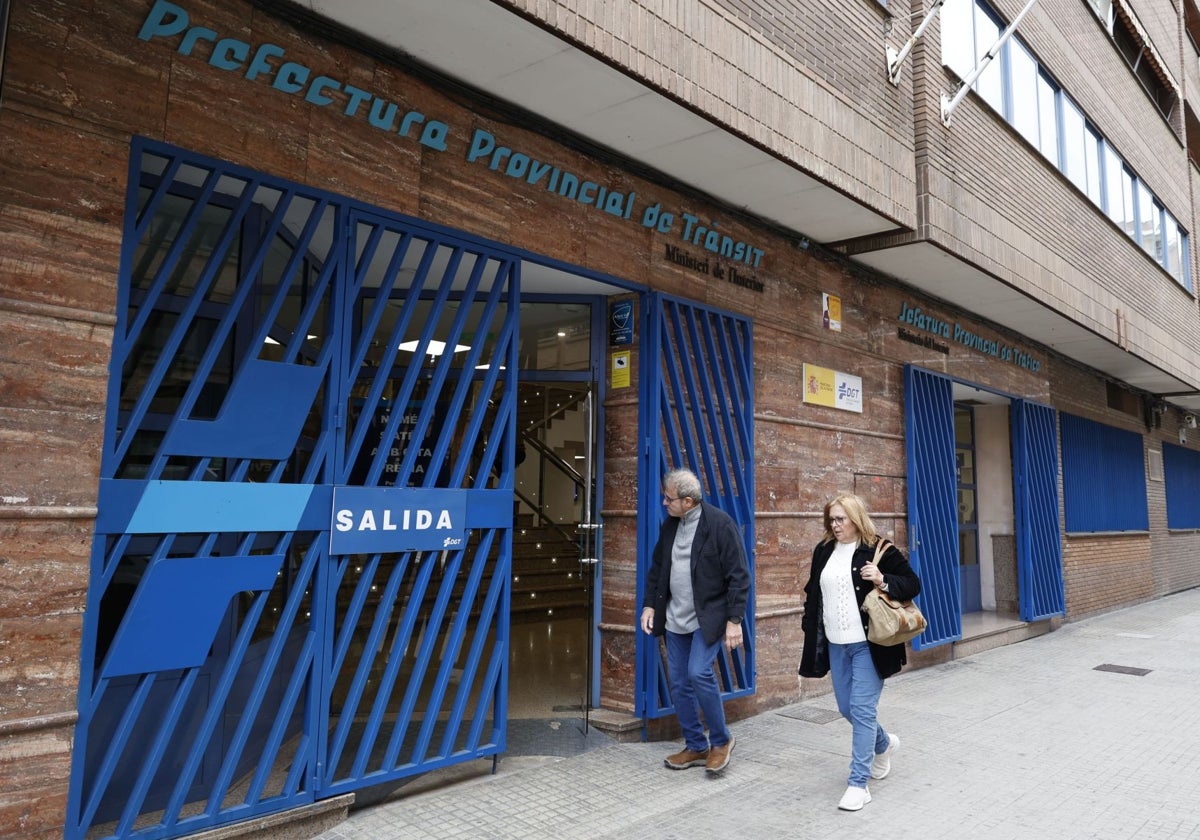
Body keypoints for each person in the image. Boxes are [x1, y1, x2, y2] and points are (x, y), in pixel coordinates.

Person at [798, 493, 921, 811]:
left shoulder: (878, 549)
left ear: (856, 518)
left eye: (840, 518)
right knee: (846, 708)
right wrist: (809, 626)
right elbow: (814, 591)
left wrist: (882, 579)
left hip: (870, 645)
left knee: (862, 710)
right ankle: (884, 744)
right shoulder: (824, 550)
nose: (835, 524)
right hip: (837, 644)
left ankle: (858, 784)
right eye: (831, 519)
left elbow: (912, 583)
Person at [639, 468, 751, 774]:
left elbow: (739, 577)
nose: (664, 502)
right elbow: (658, 568)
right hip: (675, 619)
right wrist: (650, 605)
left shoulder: (719, 525)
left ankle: (720, 740)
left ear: (688, 501)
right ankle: (695, 745)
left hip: (707, 618)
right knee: (679, 682)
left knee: (698, 673)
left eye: (669, 498)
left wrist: (734, 620)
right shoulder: (671, 525)